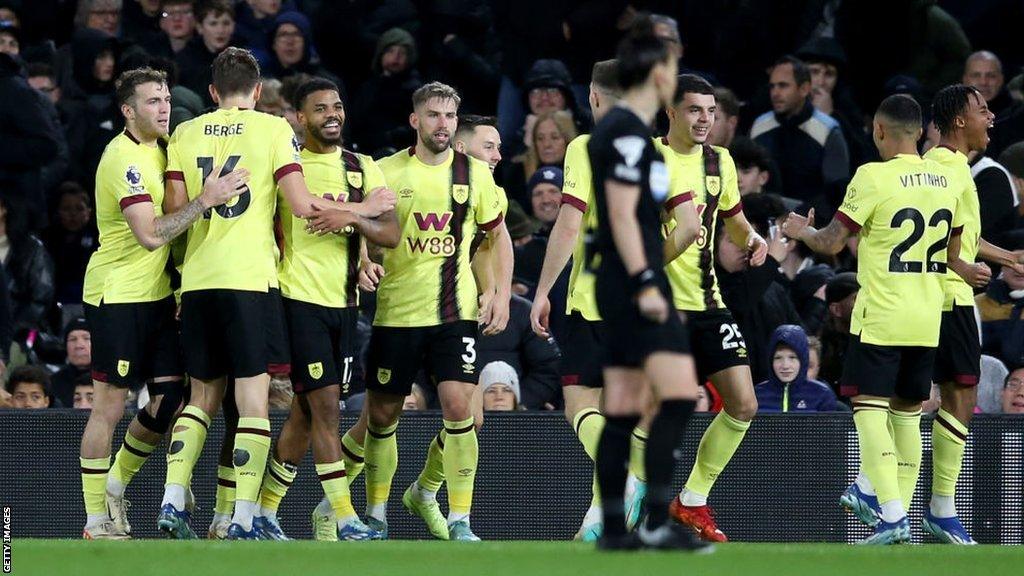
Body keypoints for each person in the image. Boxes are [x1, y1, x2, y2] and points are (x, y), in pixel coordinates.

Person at [156, 47, 362, 540]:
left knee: (201, 399)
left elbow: (174, 211)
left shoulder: (184, 133)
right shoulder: (273, 131)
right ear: (255, 89)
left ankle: (171, 502)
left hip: (201, 280)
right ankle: (244, 518)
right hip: (251, 282)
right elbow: (299, 204)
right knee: (252, 401)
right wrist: (362, 208)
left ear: (212, 92)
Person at [782, 94, 963, 545]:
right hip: (928, 316)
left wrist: (798, 231)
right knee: (907, 417)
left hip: (882, 314)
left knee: (868, 411)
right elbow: (956, 253)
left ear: (879, 131)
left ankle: (892, 513)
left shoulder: (872, 176)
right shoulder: (947, 178)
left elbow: (830, 241)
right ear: (920, 132)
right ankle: (894, 512)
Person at [78, 66, 247, 541]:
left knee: (171, 396)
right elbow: (152, 234)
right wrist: (206, 200)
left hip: (157, 298)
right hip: (118, 295)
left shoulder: (167, 151)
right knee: (109, 408)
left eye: (167, 98)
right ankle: (95, 519)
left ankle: (115, 484)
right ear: (128, 111)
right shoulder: (122, 160)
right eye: (153, 101)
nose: (164, 107)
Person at [350, 81, 512, 542]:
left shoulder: (475, 175)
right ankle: (377, 512)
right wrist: (363, 261)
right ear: (415, 120)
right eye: (435, 116)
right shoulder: (382, 172)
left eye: (450, 117)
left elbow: (493, 237)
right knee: (381, 417)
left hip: (453, 314)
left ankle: (460, 517)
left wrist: (495, 292)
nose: (443, 125)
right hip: (396, 313)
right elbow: (359, 227)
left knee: (461, 408)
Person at [249, 77, 398, 542]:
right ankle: (345, 516)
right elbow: (302, 218)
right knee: (327, 407)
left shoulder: (361, 166)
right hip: (298, 300)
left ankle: (263, 512)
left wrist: (352, 216)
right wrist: (362, 211)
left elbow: (390, 232)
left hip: (345, 306)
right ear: (299, 117)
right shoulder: (288, 167)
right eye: (319, 109)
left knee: (304, 412)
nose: (332, 115)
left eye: (336, 106)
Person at [587, 19, 707, 552]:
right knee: (680, 395)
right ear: (657, 71)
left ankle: (617, 529)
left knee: (625, 404)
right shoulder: (626, 133)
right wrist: (646, 282)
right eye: (673, 67)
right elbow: (618, 214)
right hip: (631, 280)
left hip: (624, 279)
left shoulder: (627, 132)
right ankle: (655, 522)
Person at [637, 74, 767, 543]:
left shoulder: (721, 162)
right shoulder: (650, 158)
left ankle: (690, 500)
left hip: (708, 302)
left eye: (711, 112)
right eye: (694, 110)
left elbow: (733, 220)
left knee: (743, 403)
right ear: (670, 112)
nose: (705, 120)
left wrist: (752, 240)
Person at [918, 84, 1024, 544]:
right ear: (959, 121)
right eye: (982, 110)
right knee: (956, 397)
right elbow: (937, 241)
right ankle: (937, 507)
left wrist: (1010, 259)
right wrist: (962, 267)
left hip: (939, 297)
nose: (992, 117)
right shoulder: (949, 169)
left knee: (930, 398)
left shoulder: (952, 168)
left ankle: (913, 507)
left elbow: (964, 235)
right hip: (947, 299)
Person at [529, 59, 622, 542]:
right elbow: (687, 228)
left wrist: (544, 291)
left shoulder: (586, 147)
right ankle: (600, 516)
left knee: (579, 405)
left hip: (596, 297)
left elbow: (568, 222)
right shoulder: (660, 152)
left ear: (593, 97)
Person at [751, 56, 850, 218]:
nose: (775, 93)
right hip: (762, 221)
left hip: (811, 224)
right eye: (772, 87)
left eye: (783, 86)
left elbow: (836, 193)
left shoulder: (828, 130)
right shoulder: (759, 126)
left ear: (804, 89)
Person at [754, 324, 840, 412]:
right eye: (778, 358)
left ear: (803, 360)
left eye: (792, 357)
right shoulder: (757, 394)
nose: (785, 366)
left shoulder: (822, 395)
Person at [175, 0, 234, 107]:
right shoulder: (185, 60)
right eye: (213, 24)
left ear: (233, 26)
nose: (220, 30)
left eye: (226, 23)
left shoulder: (243, 57)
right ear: (200, 28)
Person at [51, 316, 92, 408]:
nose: (79, 345)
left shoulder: (110, 381)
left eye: (86, 338)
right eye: (73, 339)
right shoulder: (53, 383)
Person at [962, 51, 1016, 119]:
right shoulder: (950, 115)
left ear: (1001, 79)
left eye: (991, 76)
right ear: (965, 79)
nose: (983, 82)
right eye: (976, 75)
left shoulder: (1017, 115)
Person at [527, 167, 562, 232]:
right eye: (538, 194)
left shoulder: (583, 234)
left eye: (553, 192)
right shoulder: (521, 239)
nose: (546, 200)